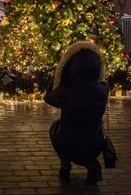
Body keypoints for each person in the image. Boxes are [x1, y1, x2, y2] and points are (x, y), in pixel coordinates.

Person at [44, 41, 108, 186]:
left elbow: (49, 97)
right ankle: (91, 165)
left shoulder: (67, 92)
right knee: (84, 140)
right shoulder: (103, 89)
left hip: (69, 142)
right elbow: (102, 81)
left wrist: (57, 75)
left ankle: (65, 164)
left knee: (55, 128)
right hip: (96, 141)